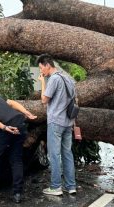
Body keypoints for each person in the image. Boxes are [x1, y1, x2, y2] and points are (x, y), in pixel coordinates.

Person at [37, 54, 77, 196]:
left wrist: (42, 82)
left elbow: (44, 100)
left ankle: (55, 187)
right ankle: (71, 186)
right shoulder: (68, 78)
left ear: (48, 65)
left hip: (56, 121)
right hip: (68, 122)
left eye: (41, 68)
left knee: (54, 154)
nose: (41, 71)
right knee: (67, 153)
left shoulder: (54, 79)